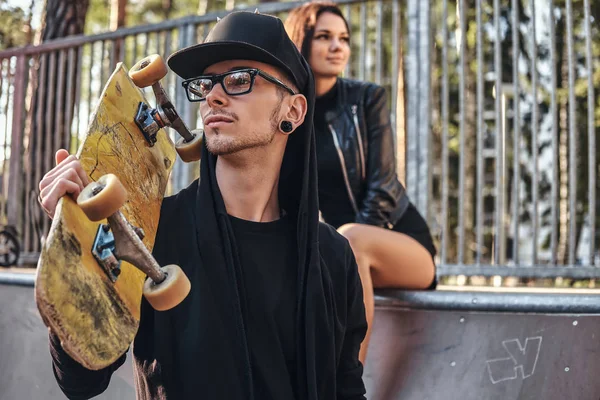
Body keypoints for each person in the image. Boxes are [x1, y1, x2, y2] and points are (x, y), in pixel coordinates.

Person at [38, 11, 367, 400]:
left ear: (292, 111)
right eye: (204, 84)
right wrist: (73, 244)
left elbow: (347, 388)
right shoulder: (150, 232)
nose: (213, 95)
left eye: (239, 79)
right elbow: (81, 382)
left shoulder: (332, 256)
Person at [285, 2, 437, 364]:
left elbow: (383, 187)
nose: (338, 47)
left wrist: (337, 256)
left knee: (349, 239)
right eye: (324, 37)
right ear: (300, 42)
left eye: (344, 38)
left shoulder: (366, 99)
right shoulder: (286, 112)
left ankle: (346, 383)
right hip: (341, 251)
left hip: (398, 242)